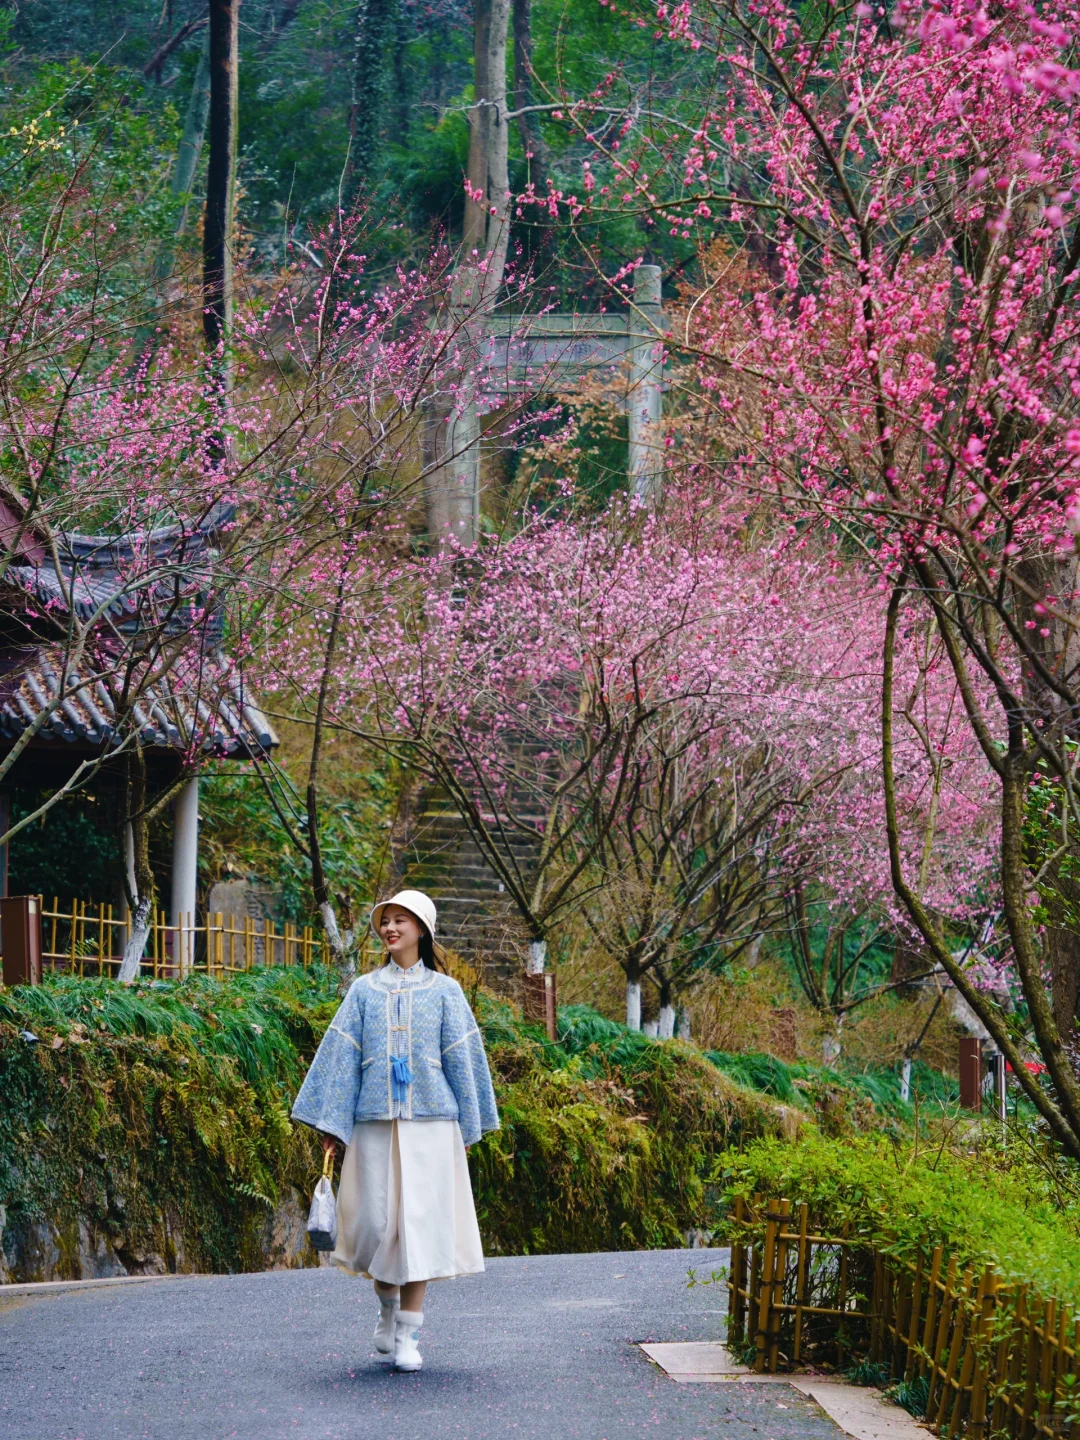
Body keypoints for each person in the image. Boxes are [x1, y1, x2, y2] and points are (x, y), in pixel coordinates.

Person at [291, 889, 499, 1372]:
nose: (390, 928)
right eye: (386, 921)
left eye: (400, 920)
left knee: (418, 1233)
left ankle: (408, 1335)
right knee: (375, 1227)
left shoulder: (446, 992)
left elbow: (462, 1058)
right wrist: (333, 1125)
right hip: (374, 1125)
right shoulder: (364, 991)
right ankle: (386, 1310)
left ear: (422, 929)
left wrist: (468, 1127)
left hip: (432, 1127)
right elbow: (343, 1057)